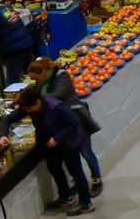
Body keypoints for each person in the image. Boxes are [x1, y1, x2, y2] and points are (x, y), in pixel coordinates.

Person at [27, 57, 101, 194]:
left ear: (43, 72)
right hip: (61, 123)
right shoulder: (41, 83)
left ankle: (96, 179)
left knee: (86, 152)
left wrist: (38, 100)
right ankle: (79, 183)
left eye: (36, 78)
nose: (35, 81)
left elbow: (58, 95)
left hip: (76, 118)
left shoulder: (62, 76)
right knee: (72, 156)